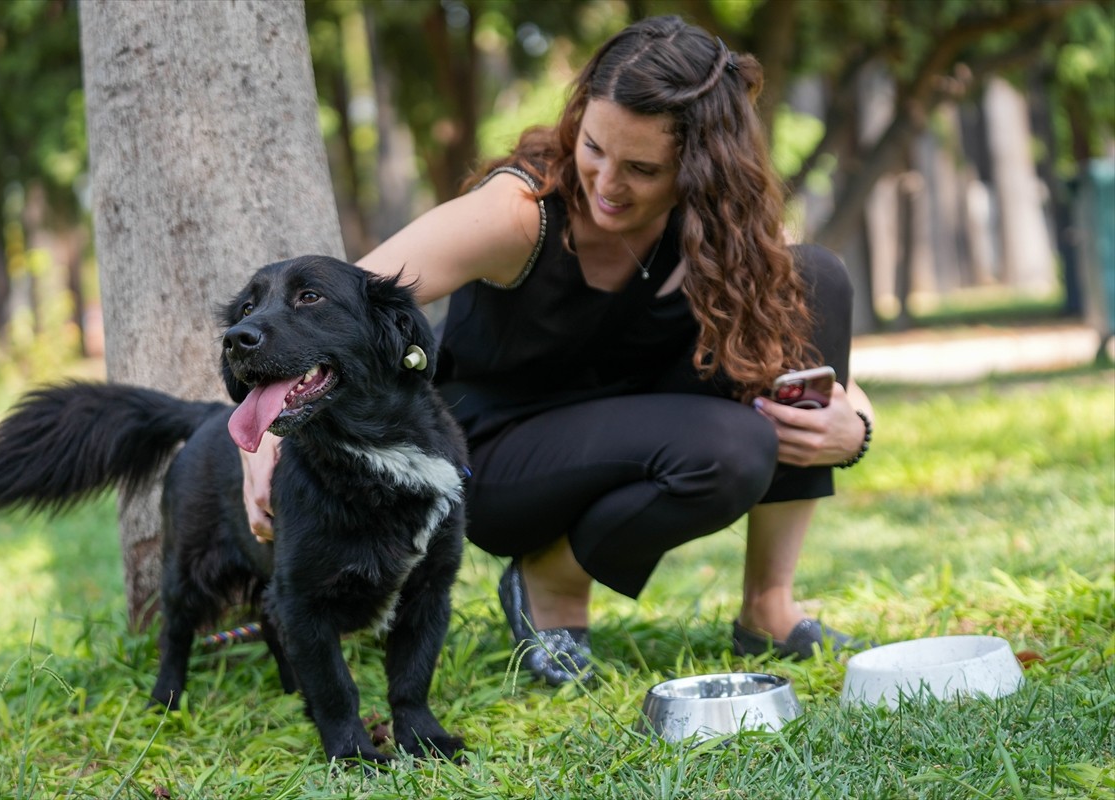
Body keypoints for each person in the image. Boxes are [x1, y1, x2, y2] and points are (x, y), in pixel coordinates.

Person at [242, 15, 875, 685]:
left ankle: (768, 608)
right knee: (737, 449)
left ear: (700, 171)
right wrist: (265, 433)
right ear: (579, 119)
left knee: (812, 276)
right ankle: (549, 584)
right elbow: (343, 304)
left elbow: (803, 358)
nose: (607, 182)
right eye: (595, 147)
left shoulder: (716, 228)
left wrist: (854, 425)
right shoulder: (518, 211)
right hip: (495, 457)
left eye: (642, 168)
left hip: (638, 427)